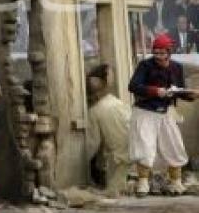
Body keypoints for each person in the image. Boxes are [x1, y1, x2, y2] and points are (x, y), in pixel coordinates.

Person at [128, 33, 199, 196]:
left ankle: (176, 182)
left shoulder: (176, 67)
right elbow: (133, 86)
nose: (159, 56)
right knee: (144, 148)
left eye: (162, 53)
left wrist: (191, 95)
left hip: (166, 112)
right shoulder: (145, 66)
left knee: (174, 147)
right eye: (156, 53)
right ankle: (143, 184)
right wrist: (154, 91)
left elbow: (178, 91)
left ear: (169, 52)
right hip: (145, 111)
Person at [85, 64, 131, 196]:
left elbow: (92, 145)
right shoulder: (120, 104)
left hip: (116, 162)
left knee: (113, 191)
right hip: (133, 155)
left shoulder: (95, 111)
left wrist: (79, 163)